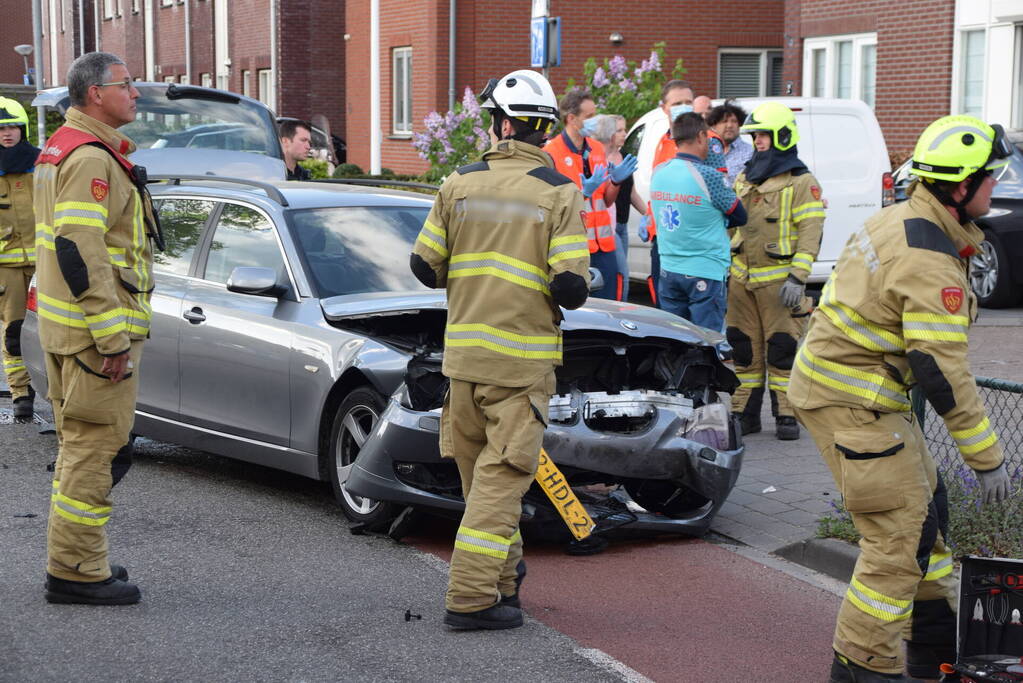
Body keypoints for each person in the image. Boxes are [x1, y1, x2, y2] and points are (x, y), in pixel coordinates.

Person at [790, 115, 1015, 683]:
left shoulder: (903, 219)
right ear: (960, 188)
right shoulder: (929, 257)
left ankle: (931, 647)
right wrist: (986, 461)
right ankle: (864, 667)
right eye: (992, 177)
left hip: (856, 395)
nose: (998, 186)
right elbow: (940, 373)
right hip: (854, 402)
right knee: (895, 542)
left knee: (923, 524)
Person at [410, 69, 590, 630]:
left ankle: (505, 583)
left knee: (483, 486)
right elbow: (571, 288)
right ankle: (470, 599)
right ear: (541, 130)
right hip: (520, 367)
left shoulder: (456, 184)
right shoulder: (558, 191)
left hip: (462, 364)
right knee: (501, 484)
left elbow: (422, 267)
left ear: (503, 124)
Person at [35, 51, 158, 605]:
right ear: (94, 95)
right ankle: (77, 571)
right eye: (127, 85)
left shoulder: (66, 147)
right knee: (96, 449)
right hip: (92, 338)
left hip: (66, 330)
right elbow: (78, 247)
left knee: (79, 447)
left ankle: (78, 554)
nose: (136, 93)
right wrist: (111, 339)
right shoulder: (90, 158)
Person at [726, 102, 824, 440]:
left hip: (780, 282)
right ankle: (744, 413)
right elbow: (731, 225)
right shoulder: (744, 176)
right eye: (755, 136)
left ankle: (786, 415)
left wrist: (798, 277)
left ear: (783, 136)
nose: (758, 142)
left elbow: (811, 231)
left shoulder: (801, 181)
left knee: (781, 348)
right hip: (741, 280)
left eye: (764, 135)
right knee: (744, 348)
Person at [649, 112, 745, 331]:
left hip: (669, 267)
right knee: (706, 341)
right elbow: (740, 215)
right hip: (705, 269)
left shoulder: (659, 172)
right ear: (702, 136)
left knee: (673, 338)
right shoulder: (709, 176)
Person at [545, 89, 635, 300]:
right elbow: (554, 206)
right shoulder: (552, 153)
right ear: (571, 119)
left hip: (604, 246)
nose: (595, 121)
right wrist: (583, 193)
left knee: (609, 305)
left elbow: (605, 200)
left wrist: (616, 181)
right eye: (589, 117)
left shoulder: (595, 148)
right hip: (575, 247)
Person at [0, 97, 39, 420]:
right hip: (6, 268)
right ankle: (21, 392)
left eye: (12, 126)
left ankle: (53, 386)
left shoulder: (40, 164)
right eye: (0, 129)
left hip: (45, 262)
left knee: (53, 328)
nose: (7, 133)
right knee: (14, 331)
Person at [643, 79, 695, 305]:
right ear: (664, 108)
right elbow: (659, 186)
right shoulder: (664, 142)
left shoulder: (704, 140)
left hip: (689, 242)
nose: (684, 107)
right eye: (678, 103)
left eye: (688, 102)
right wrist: (648, 216)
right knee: (664, 309)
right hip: (663, 239)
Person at [587, 113, 643, 301]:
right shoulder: (595, 158)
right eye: (619, 130)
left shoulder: (625, 158)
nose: (624, 134)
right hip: (606, 228)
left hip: (620, 225)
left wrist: (648, 214)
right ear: (610, 134)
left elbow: (631, 193)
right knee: (620, 277)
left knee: (617, 276)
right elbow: (603, 198)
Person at [708, 101, 754, 186]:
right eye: (724, 121)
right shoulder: (707, 151)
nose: (729, 125)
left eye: (734, 121)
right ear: (714, 125)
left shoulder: (750, 153)